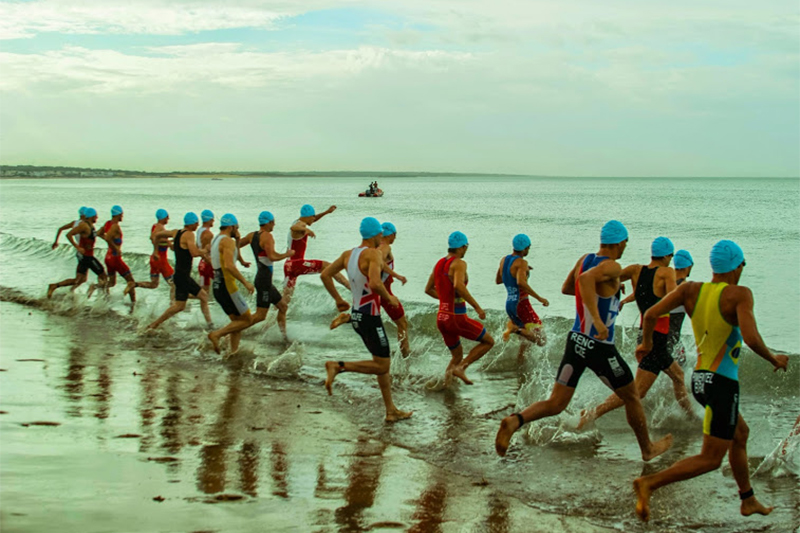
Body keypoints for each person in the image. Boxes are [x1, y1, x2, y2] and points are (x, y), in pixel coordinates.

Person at [632, 240, 787, 522]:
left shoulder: (691, 290)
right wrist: (774, 358)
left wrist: (646, 344)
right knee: (711, 459)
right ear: (736, 266)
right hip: (721, 382)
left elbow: (652, 313)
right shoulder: (739, 295)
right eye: (743, 264)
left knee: (740, 434)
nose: (743, 269)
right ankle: (649, 484)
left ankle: (748, 499)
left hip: (699, 380)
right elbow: (751, 339)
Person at [495, 220, 673, 461]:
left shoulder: (584, 259)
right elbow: (585, 282)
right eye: (625, 244)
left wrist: (600, 293)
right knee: (632, 395)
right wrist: (599, 320)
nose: (624, 248)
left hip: (576, 340)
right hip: (599, 346)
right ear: (620, 242)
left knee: (556, 402)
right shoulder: (611, 266)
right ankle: (647, 449)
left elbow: (569, 287)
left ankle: (514, 421)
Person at [578, 236, 694, 429]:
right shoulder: (666, 273)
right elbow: (675, 298)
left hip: (647, 335)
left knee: (677, 377)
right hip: (655, 338)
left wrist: (616, 285)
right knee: (637, 392)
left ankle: (690, 418)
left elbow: (603, 278)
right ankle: (592, 413)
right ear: (667, 256)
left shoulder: (635, 270)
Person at [320, 217, 412, 422]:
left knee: (381, 363)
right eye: (380, 233)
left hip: (357, 315)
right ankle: (338, 366)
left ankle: (390, 410)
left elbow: (325, 274)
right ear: (376, 234)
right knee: (382, 366)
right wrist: (390, 298)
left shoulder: (348, 254)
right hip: (370, 317)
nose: (382, 236)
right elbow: (376, 284)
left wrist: (338, 300)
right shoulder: (372, 253)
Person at [330, 221, 410, 357]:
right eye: (395, 235)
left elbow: (380, 264)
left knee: (369, 320)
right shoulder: (385, 248)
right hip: (382, 293)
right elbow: (378, 265)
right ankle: (405, 356)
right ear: (391, 234)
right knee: (402, 324)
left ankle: (348, 318)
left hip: (372, 294)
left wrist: (396, 275)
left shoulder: (376, 249)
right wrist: (388, 296)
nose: (395, 238)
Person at [424, 231, 494, 385]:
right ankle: (461, 368)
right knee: (489, 341)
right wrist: (477, 307)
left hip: (442, 317)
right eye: (466, 247)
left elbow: (428, 289)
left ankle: (445, 386)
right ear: (462, 247)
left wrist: (446, 300)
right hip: (456, 318)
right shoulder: (459, 263)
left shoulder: (439, 264)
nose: (466, 250)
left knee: (456, 355)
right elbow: (459, 286)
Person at [278, 204, 349, 340]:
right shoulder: (300, 225)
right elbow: (294, 228)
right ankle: (350, 287)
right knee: (327, 266)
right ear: (307, 217)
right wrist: (307, 231)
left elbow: (308, 221)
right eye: (312, 217)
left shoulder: (300, 221)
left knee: (284, 303)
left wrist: (327, 212)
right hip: (296, 264)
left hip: (288, 267)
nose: (314, 220)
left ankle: (274, 331)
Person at [146, 212, 213, 330]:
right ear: (192, 223)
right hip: (183, 276)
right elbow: (194, 253)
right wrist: (205, 250)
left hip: (180, 275)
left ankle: (210, 324)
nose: (197, 225)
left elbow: (156, 235)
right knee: (181, 305)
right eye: (196, 223)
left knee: (199, 298)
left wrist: (155, 250)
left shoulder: (176, 232)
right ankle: (154, 324)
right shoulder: (189, 235)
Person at [496, 233, 549, 361]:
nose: (528, 250)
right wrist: (539, 298)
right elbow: (521, 283)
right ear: (525, 248)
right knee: (541, 340)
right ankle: (514, 329)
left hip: (510, 304)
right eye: (528, 248)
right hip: (521, 304)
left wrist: (522, 271)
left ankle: (520, 368)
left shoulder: (504, 260)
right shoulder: (522, 263)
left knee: (526, 342)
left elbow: (499, 279)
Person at [208, 214, 255, 357]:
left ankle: (232, 353)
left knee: (236, 323)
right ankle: (217, 334)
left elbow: (227, 258)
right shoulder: (227, 241)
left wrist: (238, 240)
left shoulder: (216, 239)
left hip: (217, 285)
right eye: (237, 227)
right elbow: (229, 265)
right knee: (247, 320)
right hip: (228, 286)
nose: (238, 230)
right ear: (231, 227)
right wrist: (245, 282)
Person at [238, 211, 294, 327]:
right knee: (260, 315)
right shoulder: (267, 236)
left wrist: (241, 260)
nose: (274, 224)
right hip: (264, 281)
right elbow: (272, 257)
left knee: (283, 306)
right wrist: (287, 254)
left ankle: (283, 337)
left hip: (264, 280)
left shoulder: (251, 235)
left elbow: (235, 245)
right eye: (273, 222)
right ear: (269, 222)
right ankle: (233, 330)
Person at [94, 205, 137, 302]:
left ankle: (96, 288)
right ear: (118, 214)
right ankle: (133, 306)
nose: (122, 216)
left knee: (112, 283)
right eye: (122, 214)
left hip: (108, 258)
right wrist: (116, 248)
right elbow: (109, 238)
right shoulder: (115, 226)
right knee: (131, 281)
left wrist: (110, 244)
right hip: (115, 258)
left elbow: (98, 233)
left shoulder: (107, 224)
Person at [127, 209, 174, 296]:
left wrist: (169, 242)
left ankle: (135, 284)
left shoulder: (155, 226)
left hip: (154, 260)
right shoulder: (160, 227)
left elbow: (158, 240)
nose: (168, 219)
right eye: (167, 217)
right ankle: (173, 304)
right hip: (161, 260)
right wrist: (158, 249)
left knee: (154, 284)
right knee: (175, 285)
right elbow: (153, 237)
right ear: (163, 217)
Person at [48, 207, 88, 298]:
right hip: (82, 253)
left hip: (80, 253)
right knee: (79, 279)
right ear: (83, 215)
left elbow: (60, 229)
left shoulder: (75, 223)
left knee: (82, 279)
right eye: (86, 214)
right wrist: (77, 247)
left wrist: (56, 241)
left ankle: (70, 291)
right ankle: (55, 286)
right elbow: (65, 232)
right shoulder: (82, 225)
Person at [64, 207, 108, 291]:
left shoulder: (90, 226)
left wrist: (107, 238)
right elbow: (68, 234)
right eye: (96, 216)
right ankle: (100, 293)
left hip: (85, 256)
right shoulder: (84, 225)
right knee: (103, 276)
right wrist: (77, 247)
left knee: (79, 280)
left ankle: (66, 291)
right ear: (91, 216)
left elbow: (94, 235)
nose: (97, 217)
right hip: (87, 257)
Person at [667, 249, 694, 365]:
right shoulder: (684, 288)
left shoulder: (665, 283)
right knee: (680, 366)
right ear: (689, 266)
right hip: (672, 340)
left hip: (657, 334)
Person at [196, 209, 216, 296]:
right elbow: (206, 251)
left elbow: (197, 247)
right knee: (224, 286)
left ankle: (182, 297)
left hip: (202, 264)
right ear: (209, 220)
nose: (213, 221)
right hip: (208, 264)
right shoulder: (208, 234)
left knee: (204, 292)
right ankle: (181, 297)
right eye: (212, 219)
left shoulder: (199, 231)